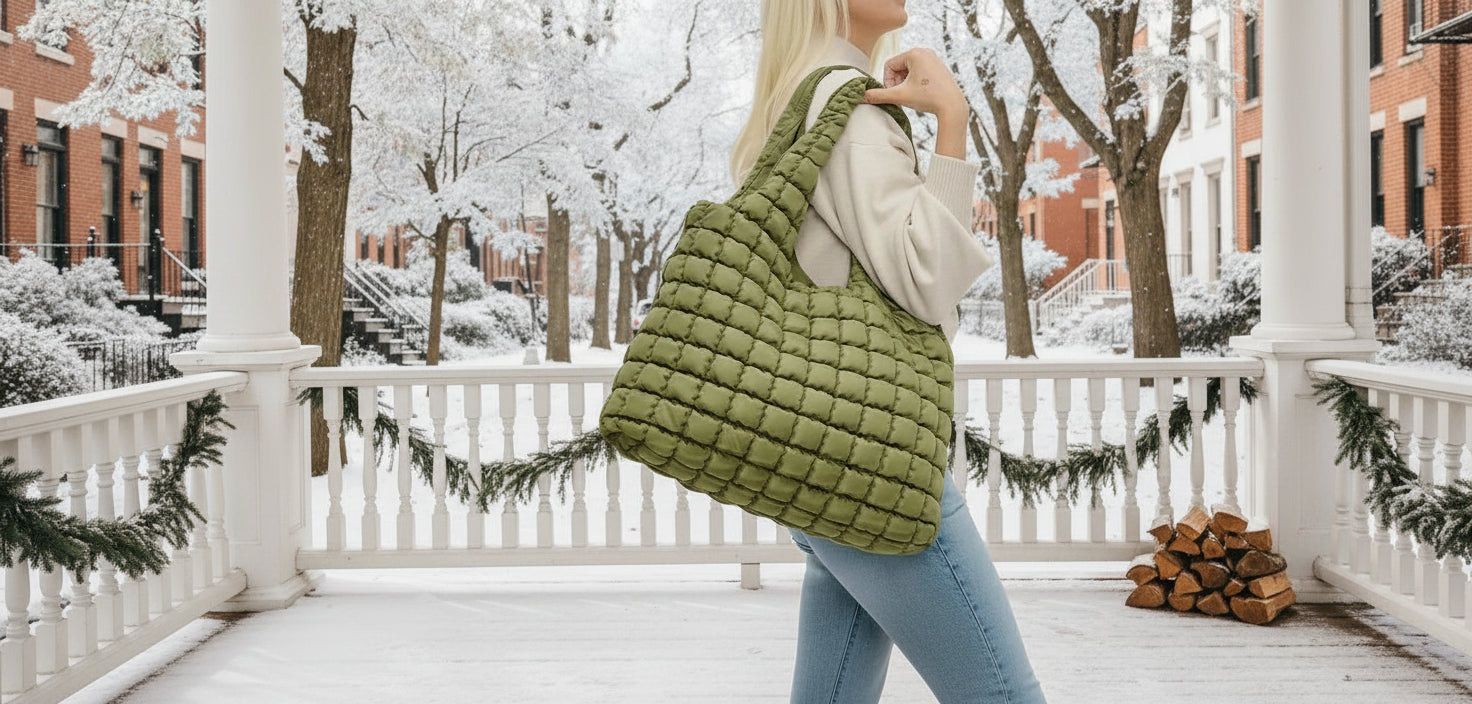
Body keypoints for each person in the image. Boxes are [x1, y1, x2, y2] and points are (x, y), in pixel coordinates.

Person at [728, 1, 1048, 702]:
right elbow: (928, 281)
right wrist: (953, 122)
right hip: (870, 460)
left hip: (817, 449)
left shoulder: (802, 94)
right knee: (1003, 694)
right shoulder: (851, 112)